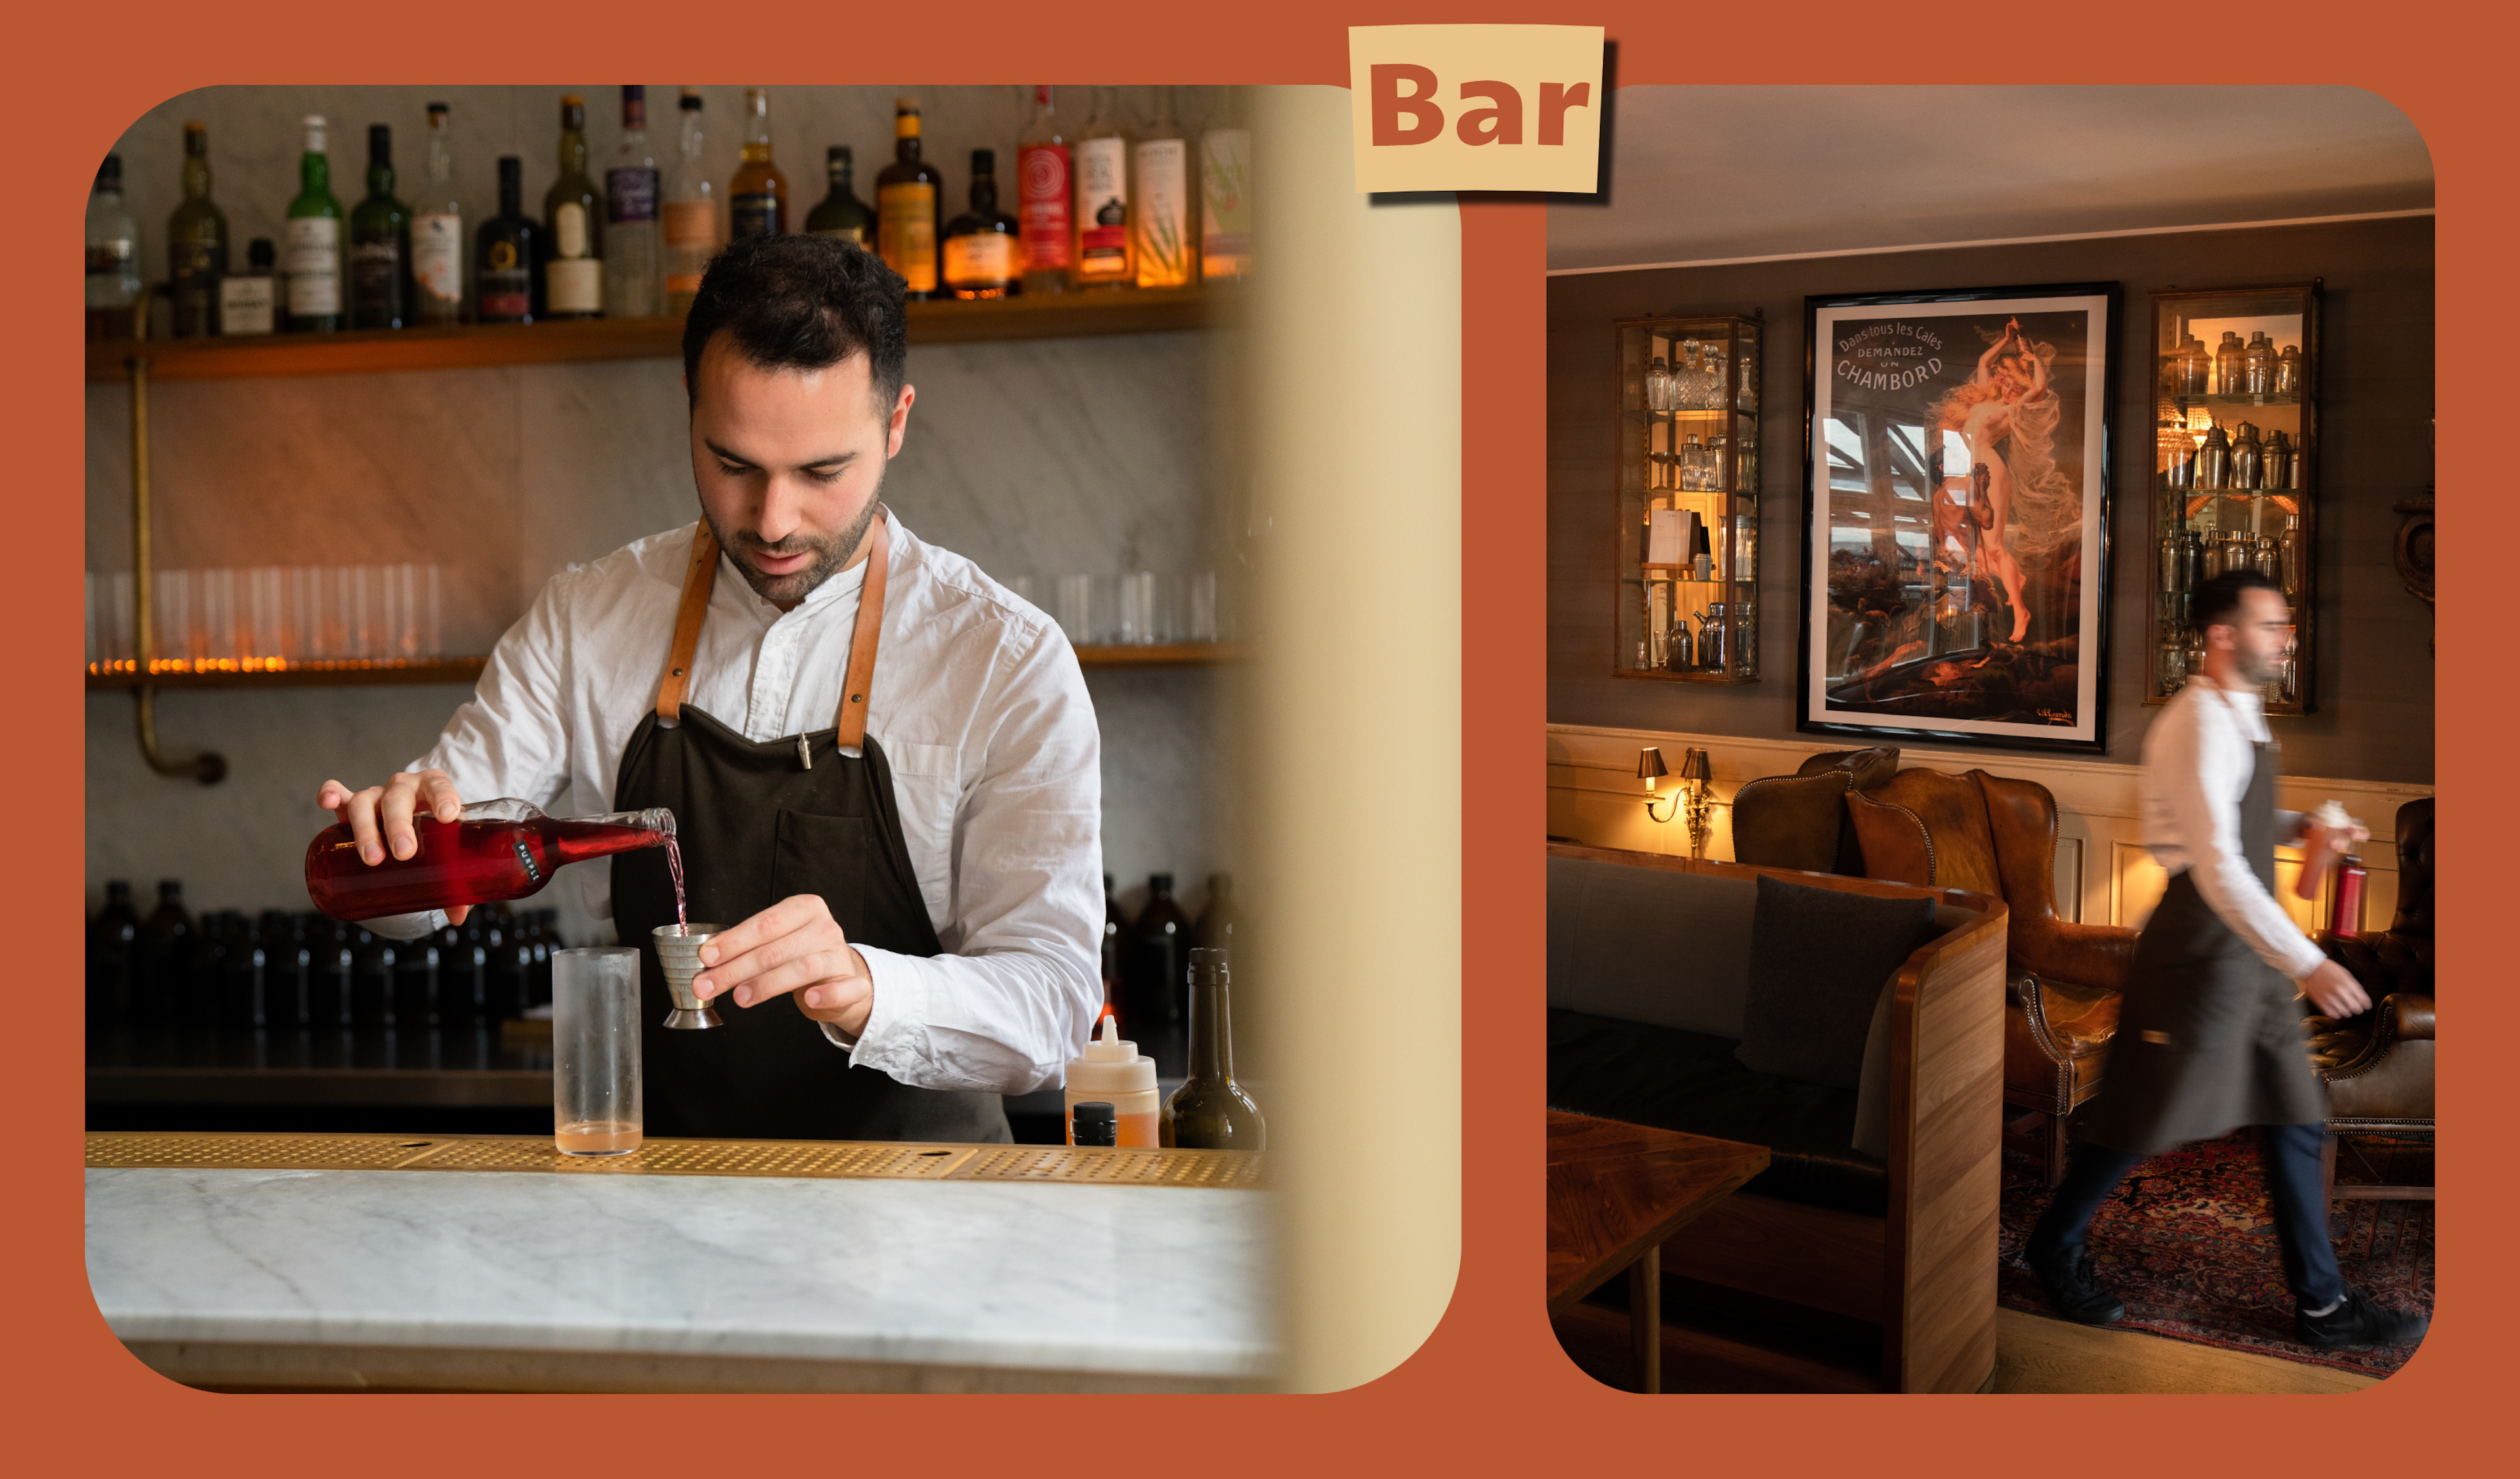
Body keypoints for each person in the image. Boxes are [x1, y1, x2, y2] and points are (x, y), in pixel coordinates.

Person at [314, 234, 1103, 1143]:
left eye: (821, 473)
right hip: (659, 1218)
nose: (773, 521)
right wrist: (397, 850)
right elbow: (420, 895)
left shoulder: (1005, 660)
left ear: (896, 423)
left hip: (925, 1229)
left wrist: (868, 985)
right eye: (733, 465)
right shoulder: (587, 618)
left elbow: (1052, 1007)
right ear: (688, 409)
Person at [2024, 569, 2425, 1349]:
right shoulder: (2195, 722)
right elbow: (2215, 865)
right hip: (2197, 948)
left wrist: (2301, 822)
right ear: (2222, 635)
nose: (2286, 639)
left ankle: (2324, 1306)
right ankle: (2053, 1244)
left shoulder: (2243, 714)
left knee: (2296, 1115)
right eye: (2272, 626)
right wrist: (2306, 961)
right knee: (2144, 1115)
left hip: (2244, 948)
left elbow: (2240, 818)